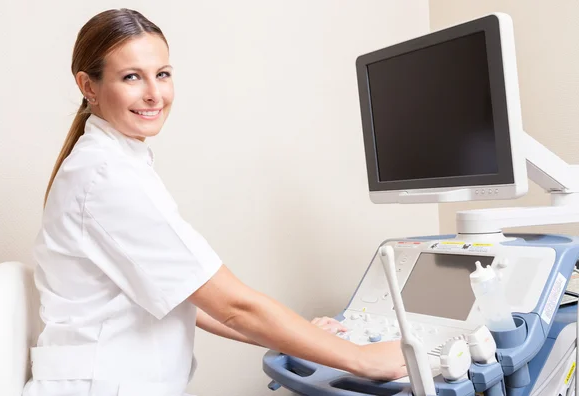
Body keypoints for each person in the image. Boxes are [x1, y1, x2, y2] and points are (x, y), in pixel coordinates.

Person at [22, 8, 406, 396]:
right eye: (132, 77)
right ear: (88, 86)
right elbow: (234, 306)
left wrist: (308, 339)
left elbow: (188, 294)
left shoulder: (115, 163)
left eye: (163, 74)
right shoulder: (106, 177)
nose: (155, 94)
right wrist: (362, 358)